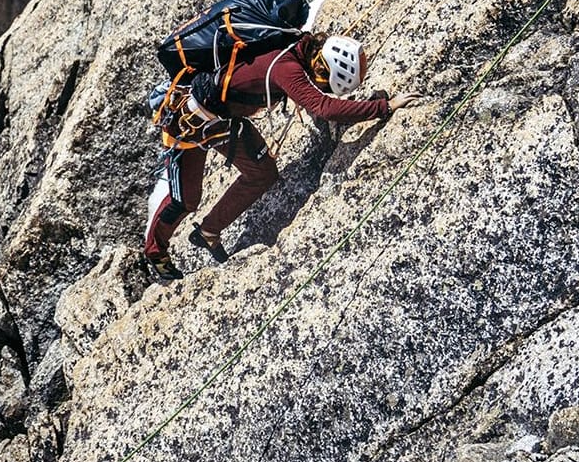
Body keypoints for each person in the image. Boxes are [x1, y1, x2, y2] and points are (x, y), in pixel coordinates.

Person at [142, 33, 417, 280]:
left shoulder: (297, 47)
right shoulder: (287, 69)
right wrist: (383, 107)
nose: (324, 89)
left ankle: (208, 232)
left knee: (262, 173)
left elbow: (316, 99)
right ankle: (155, 251)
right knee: (187, 200)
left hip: (222, 121)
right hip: (187, 122)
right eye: (327, 83)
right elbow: (324, 107)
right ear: (320, 67)